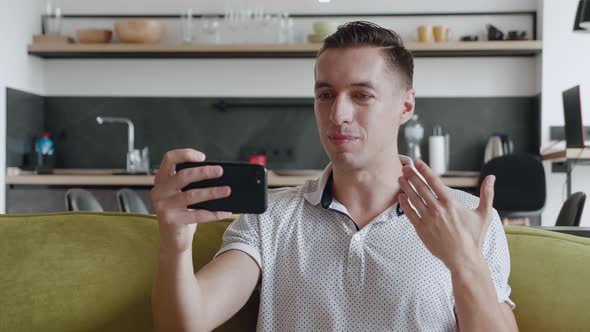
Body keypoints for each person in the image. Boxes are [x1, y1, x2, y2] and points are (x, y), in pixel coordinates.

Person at [151, 21, 518, 332]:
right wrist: (175, 242)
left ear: (406, 105)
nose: (337, 113)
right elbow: (188, 322)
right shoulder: (270, 218)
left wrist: (464, 261)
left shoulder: (466, 217)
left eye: (361, 95)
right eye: (325, 94)